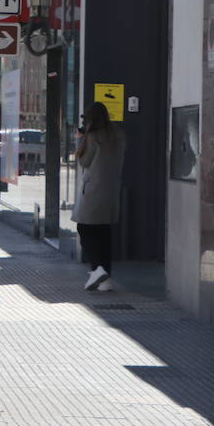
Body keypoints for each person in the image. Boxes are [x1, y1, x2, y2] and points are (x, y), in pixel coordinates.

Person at [72, 102, 126, 291]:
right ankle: (105, 279)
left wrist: (80, 139)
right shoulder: (118, 135)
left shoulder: (93, 137)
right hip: (111, 192)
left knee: (84, 229)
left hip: (93, 191)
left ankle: (98, 268)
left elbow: (84, 161)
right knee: (104, 233)